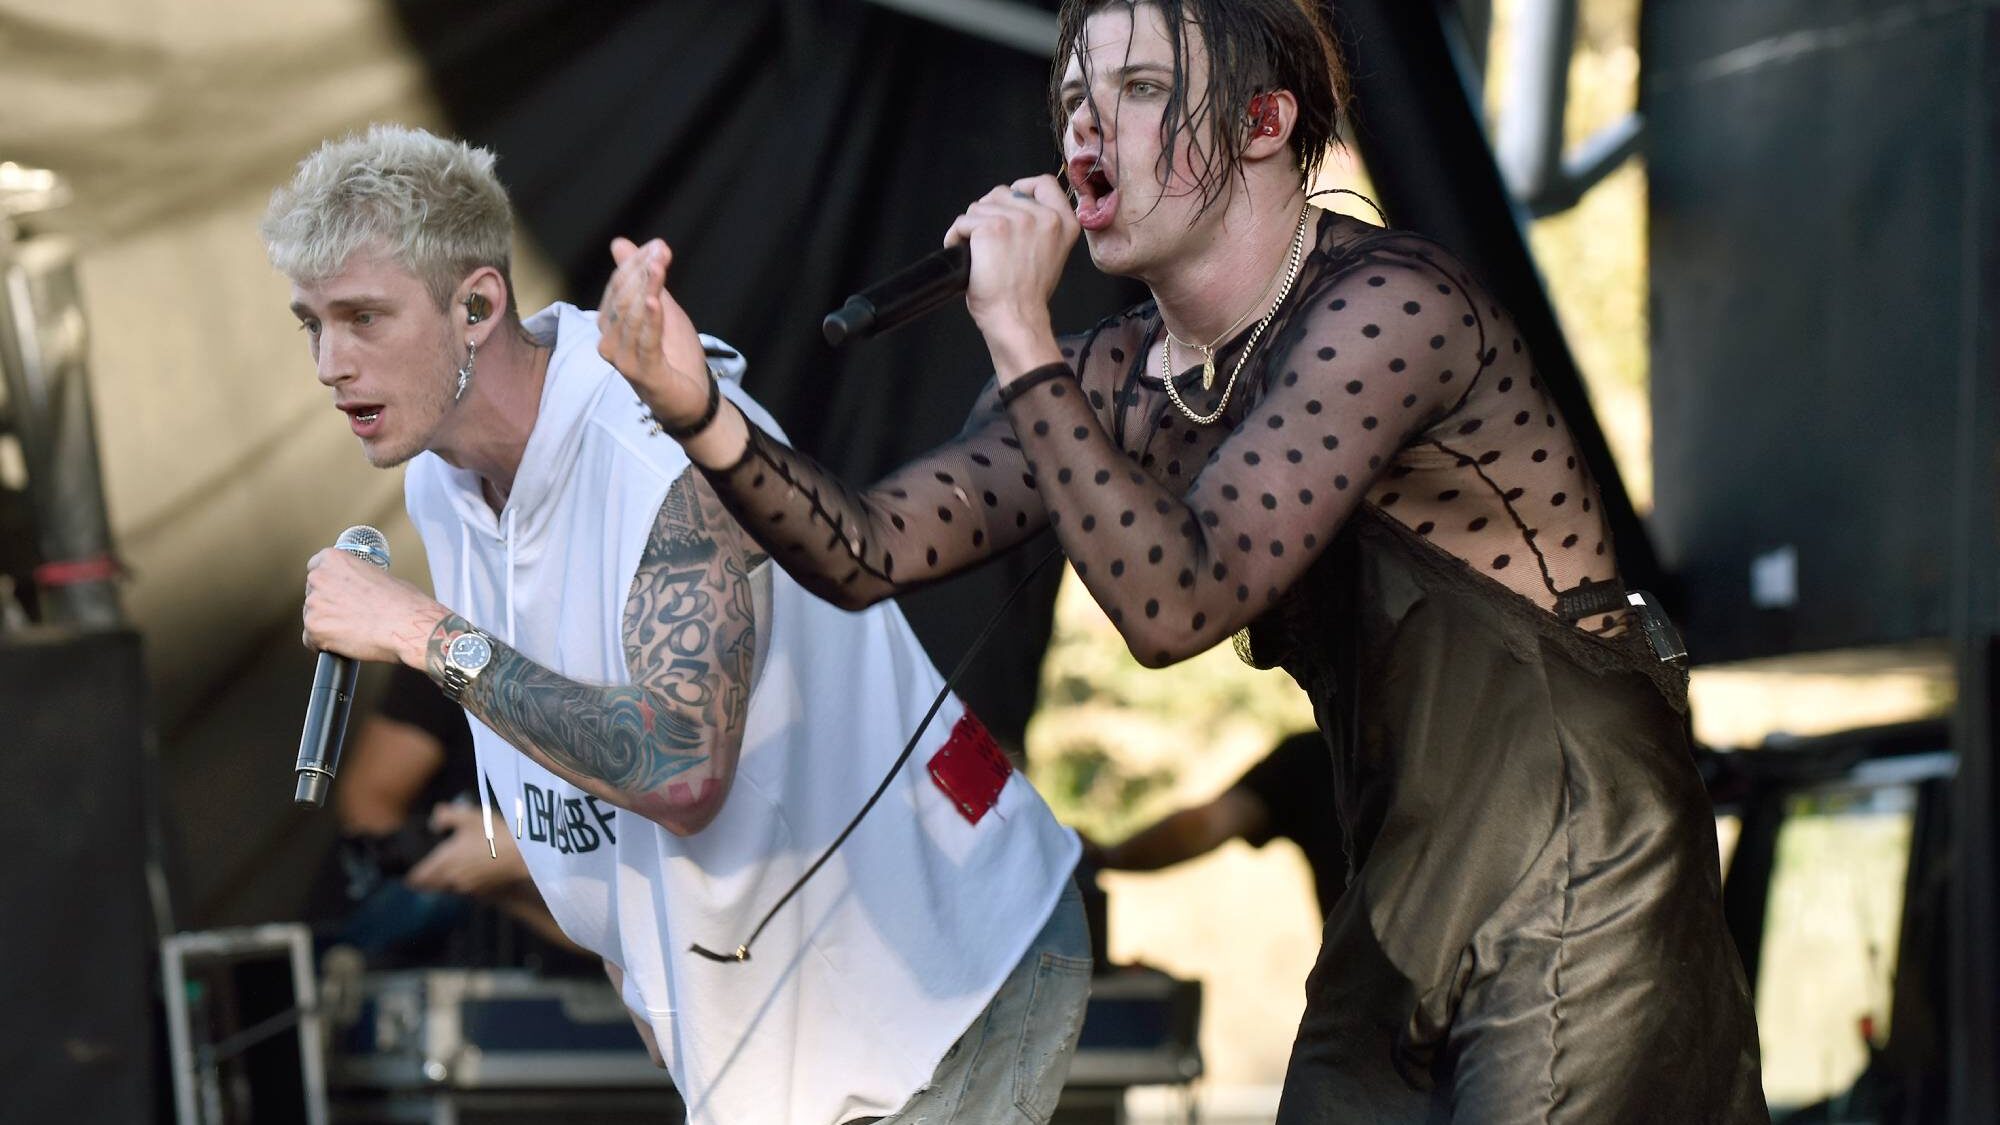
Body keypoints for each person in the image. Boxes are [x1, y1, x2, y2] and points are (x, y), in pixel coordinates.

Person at [593, 1, 1768, 1120]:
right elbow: (868, 547)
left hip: (1580, 864)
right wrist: (700, 410)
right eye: (1071, 98)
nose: (1086, 127)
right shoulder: (1118, 373)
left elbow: (1177, 604)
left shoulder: (1394, 309)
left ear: (1263, 125)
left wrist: (1017, 332)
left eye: (1142, 88)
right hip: (1406, 888)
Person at [265, 124, 1088, 1125]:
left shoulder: (648, 448)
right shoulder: (443, 481)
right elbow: (599, 825)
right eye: (310, 323)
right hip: (781, 1034)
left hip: (938, 976)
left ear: (477, 304)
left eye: (362, 318)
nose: (327, 362)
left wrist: (421, 632)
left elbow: (680, 770)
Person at [328, 663, 586, 967]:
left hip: (585, 915)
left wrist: (520, 854)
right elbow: (368, 798)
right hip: (468, 931)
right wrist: (444, 862)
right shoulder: (455, 639)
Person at [1084, 730, 1343, 918]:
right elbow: (1206, 825)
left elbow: (1207, 824)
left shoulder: (1321, 754)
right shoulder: (1316, 757)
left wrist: (1106, 857)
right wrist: (1108, 857)